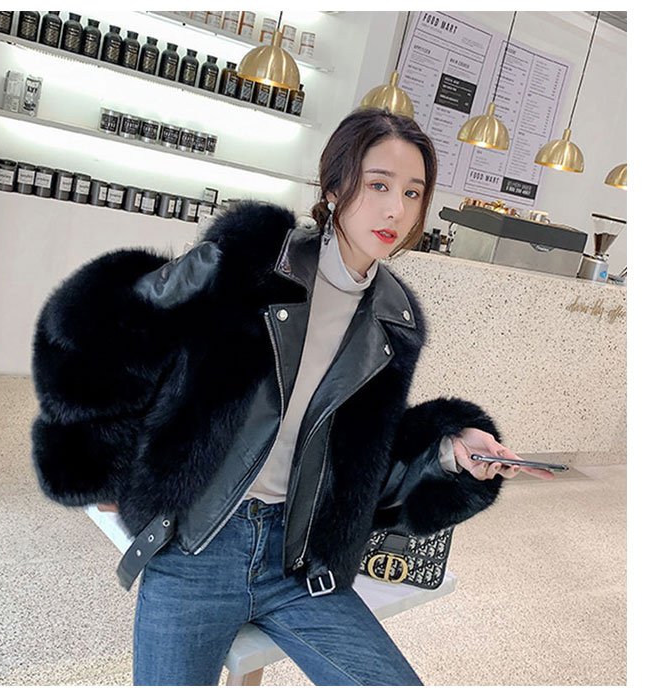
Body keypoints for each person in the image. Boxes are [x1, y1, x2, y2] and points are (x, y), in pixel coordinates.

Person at [30, 107, 553, 686]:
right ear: (334, 187)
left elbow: (360, 461)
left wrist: (450, 454)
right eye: (378, 185)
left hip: (298, 560)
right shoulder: (251, 261)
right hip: (197, 548)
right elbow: (92, 333)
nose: (396, 211)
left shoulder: (395, 320)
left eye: (412, 192)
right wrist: (103, 469)